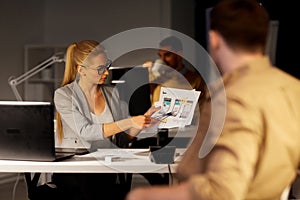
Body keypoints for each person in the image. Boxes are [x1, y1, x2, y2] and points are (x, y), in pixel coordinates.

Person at [126, 0, 300, 199]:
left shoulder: (233, 97)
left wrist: (143, 197)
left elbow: (222, 191)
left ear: (214, 38)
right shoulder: (294, 89)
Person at [52, 40, 159, 200]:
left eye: (107, 66)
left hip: (105, 170)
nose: (107, 72)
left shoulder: (112, 94)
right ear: (81, 70)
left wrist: (145, 119)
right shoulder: (64, 95)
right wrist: (129, 121)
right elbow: (85, 132)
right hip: (76, 171)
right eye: (100, 68)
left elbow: (123, 137)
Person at [145, 35, 207, 109]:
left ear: (179, 55)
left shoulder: (196, 80)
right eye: (160, 56)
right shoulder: (155, 77)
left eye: (167, 55)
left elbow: (201, 111)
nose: (162, 60)